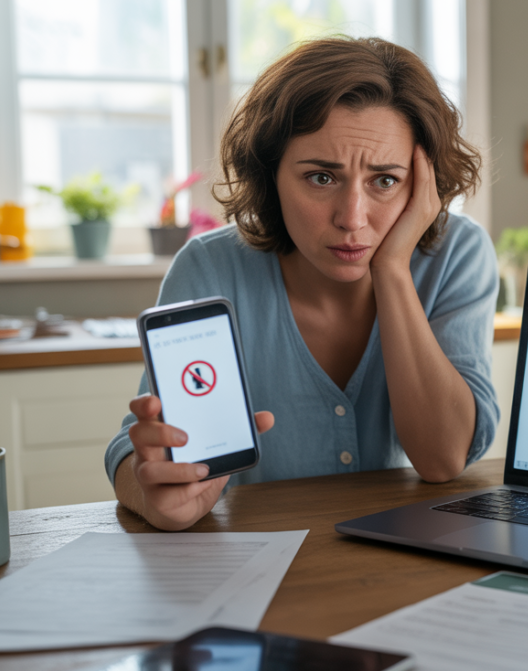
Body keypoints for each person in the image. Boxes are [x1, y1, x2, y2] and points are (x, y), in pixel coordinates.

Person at [104, 37, 499, 532]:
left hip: (406, 560)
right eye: (320, 178)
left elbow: (443, 460)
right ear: (271, 175)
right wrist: (153, 492)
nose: (352, 219)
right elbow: (142, 445)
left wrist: (393, 270)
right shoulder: (209, 268)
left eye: (384, 181)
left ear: (423, 185)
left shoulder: (457, 255)